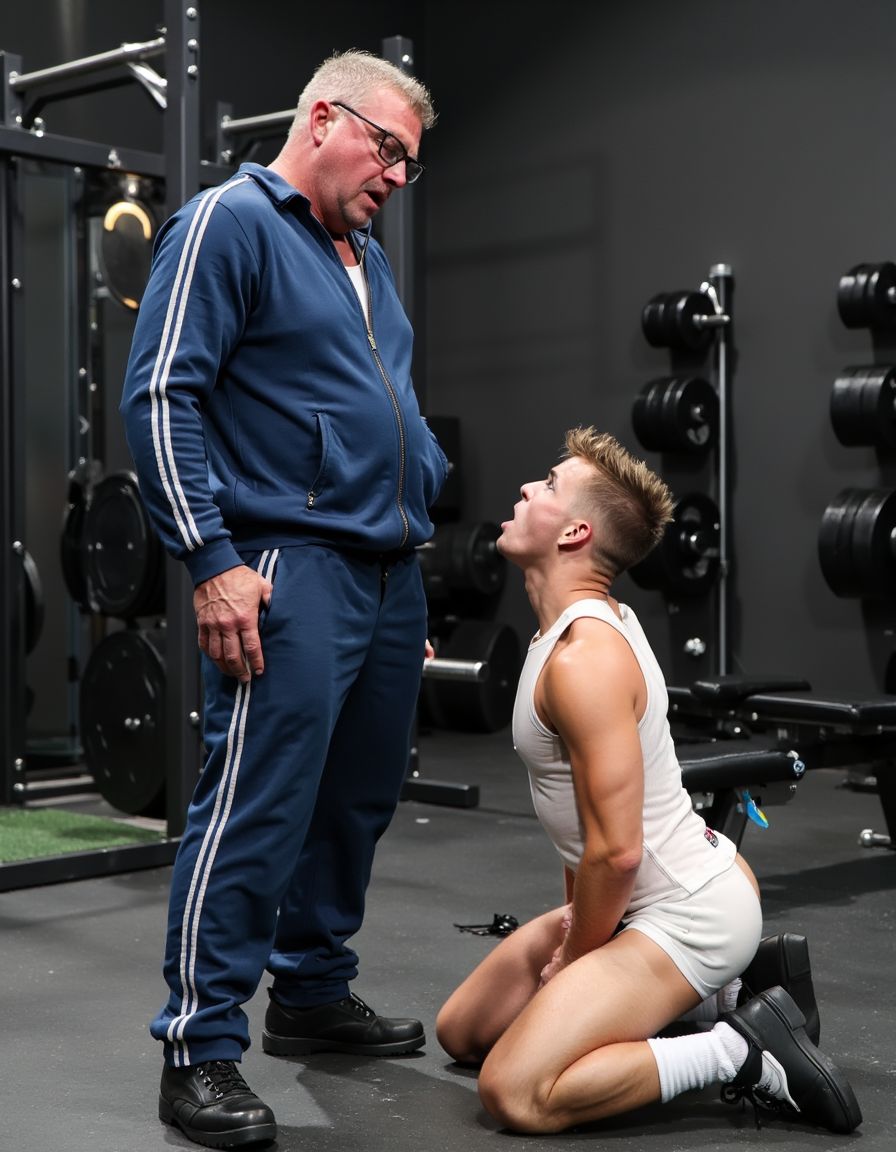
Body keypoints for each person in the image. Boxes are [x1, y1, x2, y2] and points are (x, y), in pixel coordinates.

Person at [120, 49, 446, 1149]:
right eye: (386, 148)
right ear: (321, 118)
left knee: (355, 801)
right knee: (255, 807)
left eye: (410, 162)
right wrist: (210, 558)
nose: (396, 175)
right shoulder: (230, 222)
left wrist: (407, 534)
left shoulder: (366, 261)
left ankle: (310, 989)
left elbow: (388, 410)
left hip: (385, 571)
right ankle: (199, 1046)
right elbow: (161, 396)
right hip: (285, 564)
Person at [435, 427, 862, 1136]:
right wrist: (578, 940)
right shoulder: (566, 633)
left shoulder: (586, 661)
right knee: (466, 1031)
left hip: (692, 912)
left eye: (547, 484)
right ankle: (722, 997)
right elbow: (582, 832)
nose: (526, 488)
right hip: (636, 903)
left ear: (574, 532)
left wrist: (576, 958)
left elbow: (617, 851)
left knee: (515, 1091)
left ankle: (744, 1051)